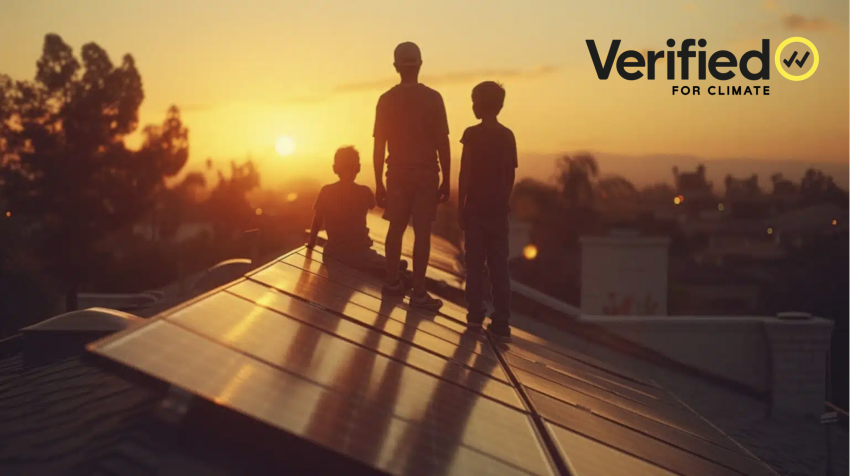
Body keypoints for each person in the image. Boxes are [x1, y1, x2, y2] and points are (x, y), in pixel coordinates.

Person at [373, 41, 450, 311]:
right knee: (422, 234)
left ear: (395, 67)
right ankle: (418, 292)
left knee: (395, 229)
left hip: (396, 175)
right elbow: (443, 144)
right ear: (420, 64)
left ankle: (392, 283)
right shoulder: (433, 98)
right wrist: (447, 179)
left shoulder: (385, 100)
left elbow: (378, 146)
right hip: (426, 175)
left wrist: (377, 181)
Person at [457, 81, 517, 343]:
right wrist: (503, 203)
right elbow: (509, 174)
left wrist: (461, 206)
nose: (472, 105)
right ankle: (502, 320)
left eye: (474, 100)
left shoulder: (471, 134)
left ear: (480, 104)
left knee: (474, 264)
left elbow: (465, 173)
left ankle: (474, 314)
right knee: (498, 266)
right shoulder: (507, 136)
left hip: (475, 209)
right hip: (498, 210)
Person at [307, 146, 409, 278]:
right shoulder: (364, 192)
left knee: (374, 261)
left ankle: (389, 265)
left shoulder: (326, 191)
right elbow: (383, 206)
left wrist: (311, 242)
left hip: (333, 252)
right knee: (380, 266)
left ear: (335, 168)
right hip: (358, 251)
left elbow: (317, 219)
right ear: (358, 168)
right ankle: (394, 270)